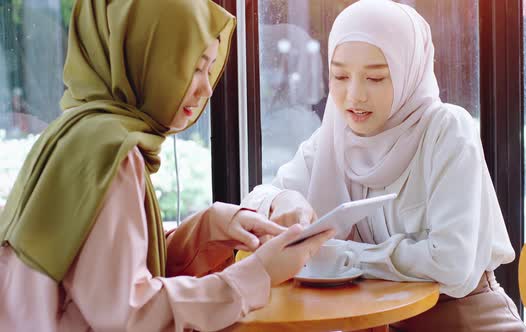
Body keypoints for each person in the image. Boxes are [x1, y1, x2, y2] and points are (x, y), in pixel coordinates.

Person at [0, 0, 333, 331]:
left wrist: (209, 228)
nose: (205, 89)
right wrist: (257, 273)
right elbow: (131, 315)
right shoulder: (109, 151)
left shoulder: (79, 131)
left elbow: (105, 267)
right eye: (193, 67)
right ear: (145, 57)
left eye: (209, 68)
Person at [242, 0, 526, 330]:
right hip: (376, 321)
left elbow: (451, 263)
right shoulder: (334, 137)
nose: (354, 96)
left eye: (375, 78)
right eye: (340, 76)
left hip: (465, 320)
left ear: (409, 72)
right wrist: (279, 200)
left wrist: (342, 254)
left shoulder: (446, 130)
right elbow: (253, 204)